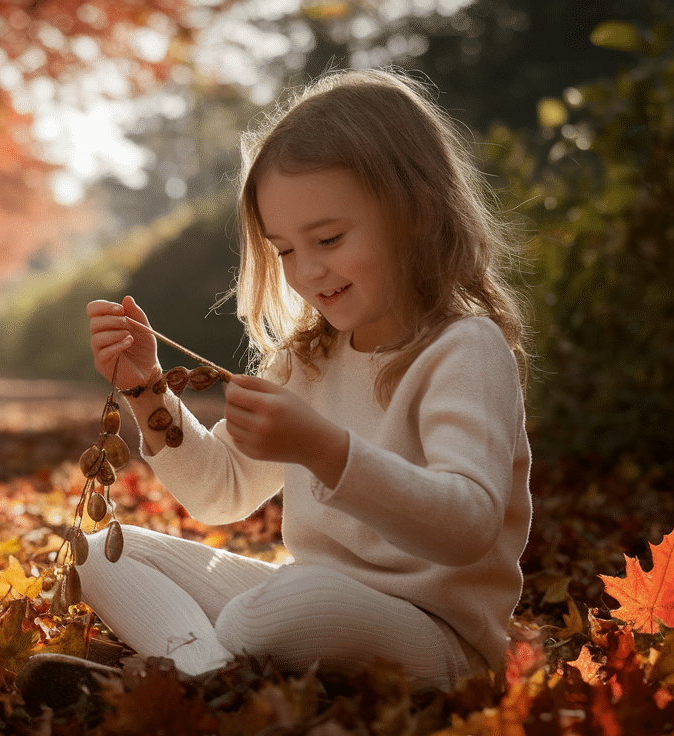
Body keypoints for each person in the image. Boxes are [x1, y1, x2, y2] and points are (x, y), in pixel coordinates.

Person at [69, 68, 532, 694]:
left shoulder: (462, 350)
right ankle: (203, 680)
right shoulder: (309, 361)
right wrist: (147, 386)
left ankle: (177, 678)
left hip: (437, 639)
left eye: (330, 238)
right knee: (99, 554)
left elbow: (468, 525)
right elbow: (222, 493)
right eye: (284, 249)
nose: (307, 270)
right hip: (312, 605)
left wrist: (326, 450)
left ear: (418, 213)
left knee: (290, 600)